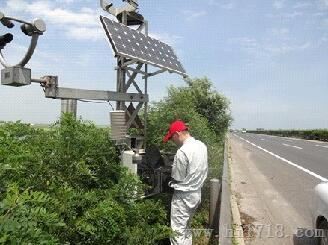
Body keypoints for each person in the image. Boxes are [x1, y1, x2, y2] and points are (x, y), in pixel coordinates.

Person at [163, 120, 208, 245]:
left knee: (177, 233)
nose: (173, 141)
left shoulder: (182, 152)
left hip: (183, 198)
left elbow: (177, 177)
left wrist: (169, 176)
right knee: (186, 228)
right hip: (196, 194)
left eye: (172, 138)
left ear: (177, 134)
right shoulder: (201, 145)